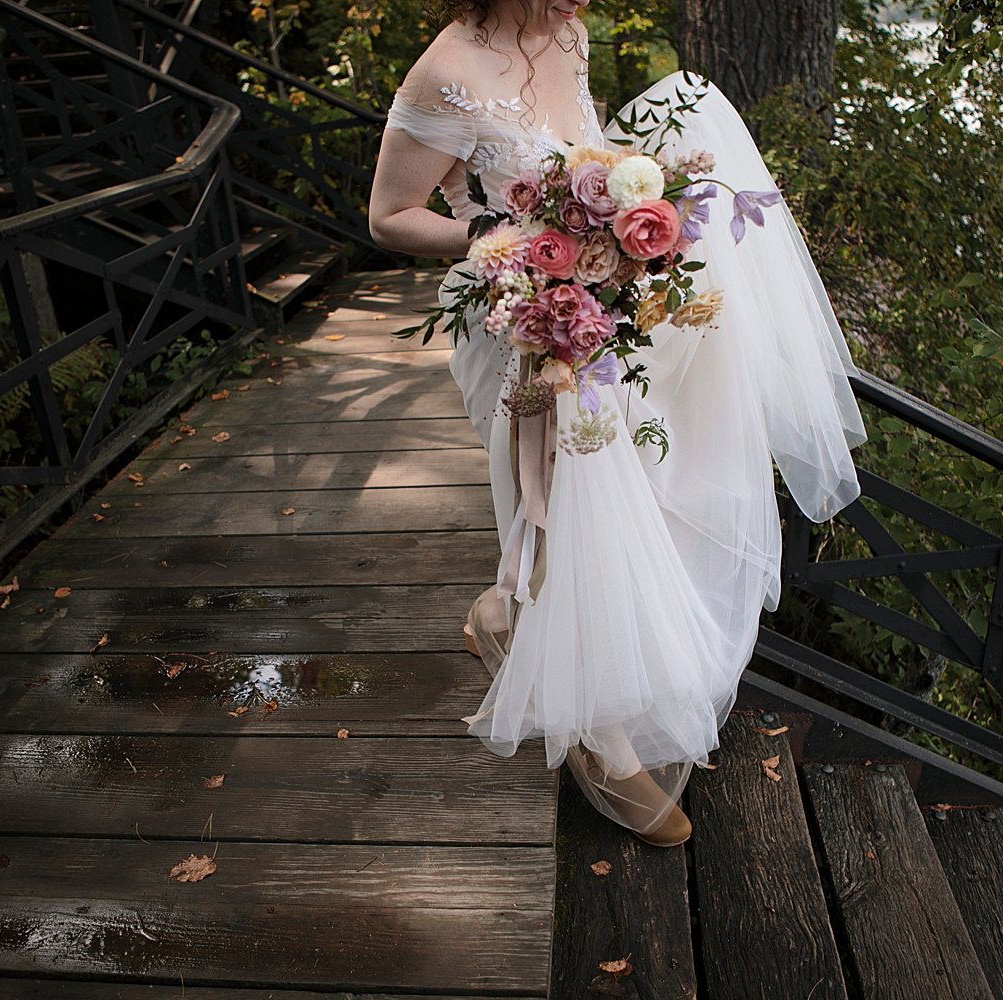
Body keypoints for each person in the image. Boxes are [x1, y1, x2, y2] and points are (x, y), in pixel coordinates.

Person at [368, 0, 867, 848]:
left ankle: (504, 613)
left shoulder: (570, 32)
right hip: (517, 315)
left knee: (638, 492)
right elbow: (387, 216)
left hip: (608, 309)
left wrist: (626, 235)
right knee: (562, 509)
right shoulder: (443, 72)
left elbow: (586, 161)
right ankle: (599, 744)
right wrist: (500, 238)